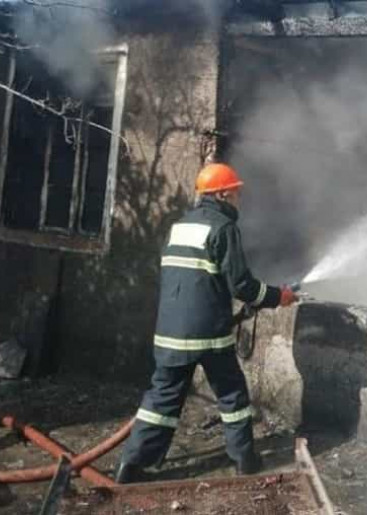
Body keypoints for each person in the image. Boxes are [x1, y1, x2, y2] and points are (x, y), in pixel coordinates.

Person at [115, 163, 298, 483]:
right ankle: (244, 461)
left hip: (170, 332)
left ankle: (130, 466)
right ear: (222, 194)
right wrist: (277, 297)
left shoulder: (179, 226)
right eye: (236, 193)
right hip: (208, 336)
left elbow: (193, 279)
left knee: (161, 400)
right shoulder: (223, 228)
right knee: (232, 395)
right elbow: (242, 286)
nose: (239, 199)